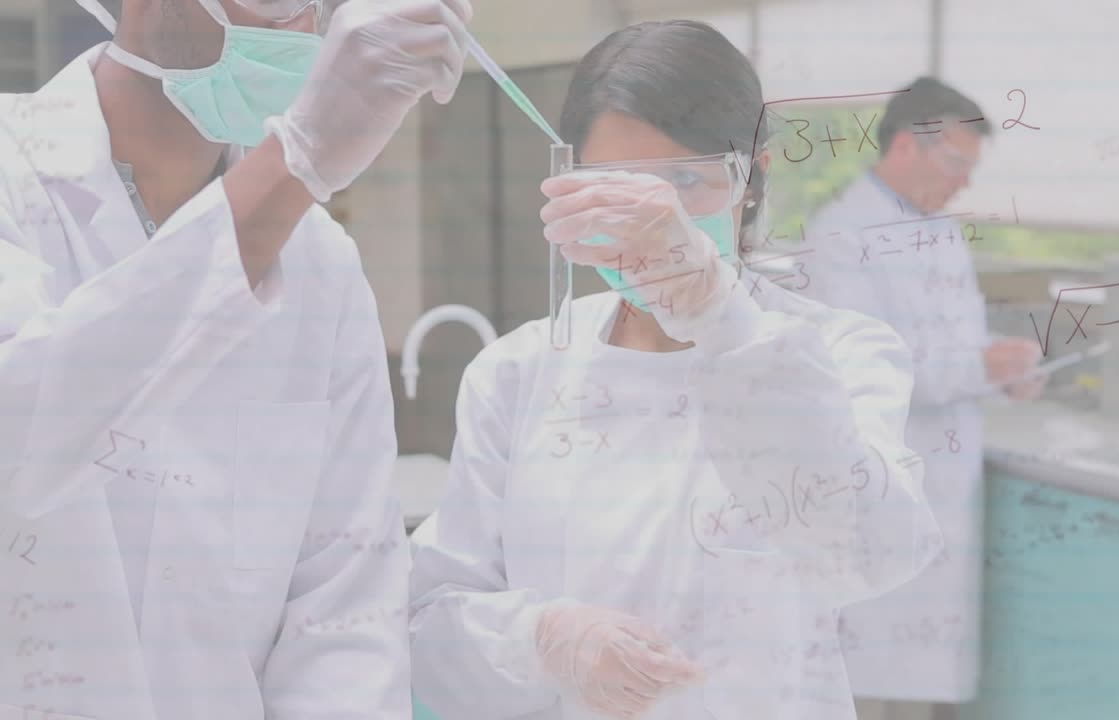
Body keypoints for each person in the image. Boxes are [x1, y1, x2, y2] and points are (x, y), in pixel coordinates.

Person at [409, 20, 943, 720]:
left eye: (687, 181)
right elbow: (427, 617)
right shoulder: (518, 373)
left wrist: (716, 312)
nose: (651, 219)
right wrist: (541, 638)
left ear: (752, 175)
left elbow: (870, 553)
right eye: (615, 187)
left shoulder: (839, 350)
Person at [0, 0, 472, 717]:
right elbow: (22, 433)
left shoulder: (322, 263)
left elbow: (343, 604)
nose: (307, 21)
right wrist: (294, 166)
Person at [795, 77, 1045, 716]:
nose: (964, 182)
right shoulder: (841, 233)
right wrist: (979, 363)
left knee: (919, 686)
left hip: (940, 484)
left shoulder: (938, 229)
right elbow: (875, 369)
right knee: (867, 685)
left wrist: (1004, 366)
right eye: (956, 163)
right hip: (881, 489)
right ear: (906, 146)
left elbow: (954, 338)